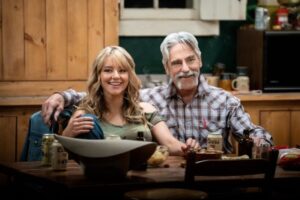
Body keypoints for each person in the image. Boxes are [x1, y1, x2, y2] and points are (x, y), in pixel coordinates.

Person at [42, 32, 273, 153]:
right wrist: (62, 96)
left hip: (214, 179)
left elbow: (252, 131)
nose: (185, 69)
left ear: (200, 60)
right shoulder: (148, 99)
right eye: (176, 63)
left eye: (190, 60)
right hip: (164, 178)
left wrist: (259, 140)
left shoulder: (224, 100)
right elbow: (102, 93)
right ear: (166, 68)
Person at [58, 45, 197, 156]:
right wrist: (67, 134)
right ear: (98, 76)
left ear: (129, 75)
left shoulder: (146, 109)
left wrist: (188, 148)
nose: (116, 76)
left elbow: (170, 143)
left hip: (144, 177)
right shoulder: (84, 114)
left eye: (123, 70)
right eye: (108, 70)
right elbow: (63, 155)